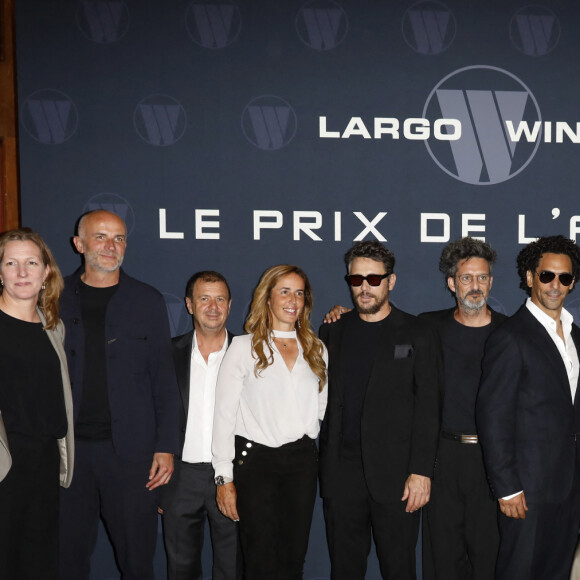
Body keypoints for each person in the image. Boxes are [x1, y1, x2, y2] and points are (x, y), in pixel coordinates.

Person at [58, 210, 180, 580]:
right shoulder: (53, 298)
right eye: (101, 237)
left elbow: (163, 377)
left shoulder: (147, 300)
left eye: (120, 238)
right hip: (67, 454)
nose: (112, 246)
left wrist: (166, 446)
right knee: (66, 557)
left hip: (131, 455)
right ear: (80, 244)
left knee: (138, 560)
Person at [319, 240, 441, 580]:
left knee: (399, 570)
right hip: (341, 477)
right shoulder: (332, 329)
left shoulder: (418, 332)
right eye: (357, 280)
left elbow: (429, 407)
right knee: (344, 570)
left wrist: (421, 471)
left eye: (374, 279)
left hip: (398, 478)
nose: (364, 288)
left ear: (391, 281)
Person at [212, 264, 328, 580]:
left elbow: (320, 409)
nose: (293, 300)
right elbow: (223, 416)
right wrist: (224, 478)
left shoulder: (316, 349)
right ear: (267, 297)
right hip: (256, 464)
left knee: (293, 559)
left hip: (302, 463)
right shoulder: (242, 347)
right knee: (259, 559)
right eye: (284, 291)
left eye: (299, 292)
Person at [476, 235, 580, 580]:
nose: (556, 285)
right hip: (527, 491)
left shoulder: (575, 335)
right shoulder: (511, 336)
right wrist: (507, 487)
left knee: (557, 572)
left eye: (565, 278)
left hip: (569, 487)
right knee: (519, 572)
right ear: (529, 277)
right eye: (547, 275)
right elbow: (493, 417)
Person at [419, 238, 503, 580]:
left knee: (490, 559)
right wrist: (346, 313)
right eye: (466, 278)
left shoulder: (510, 333)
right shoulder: (427, 328)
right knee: (443, 561)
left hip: (491, 461)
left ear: (491, 282)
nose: (475, 286)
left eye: (482, 278)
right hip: (443, 459)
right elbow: (383, 329)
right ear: (452, 283)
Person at [0, 228, 74, 579]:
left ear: (47, 272)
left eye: (31, 262)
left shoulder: (52, 328)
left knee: (39, 562)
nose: (22, 272)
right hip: (3, 463)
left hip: (42, 464)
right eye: (11, 263)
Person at [161, 270, 241, 580]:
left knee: (232, 568)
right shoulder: (167, 353)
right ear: (190, 305)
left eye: (220, 299)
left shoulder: (248, 353)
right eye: (204, 298)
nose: (213, 306)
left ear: (230, 305)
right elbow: (153, 415)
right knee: (180, 569)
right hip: (181, 478)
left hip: (234, 478)